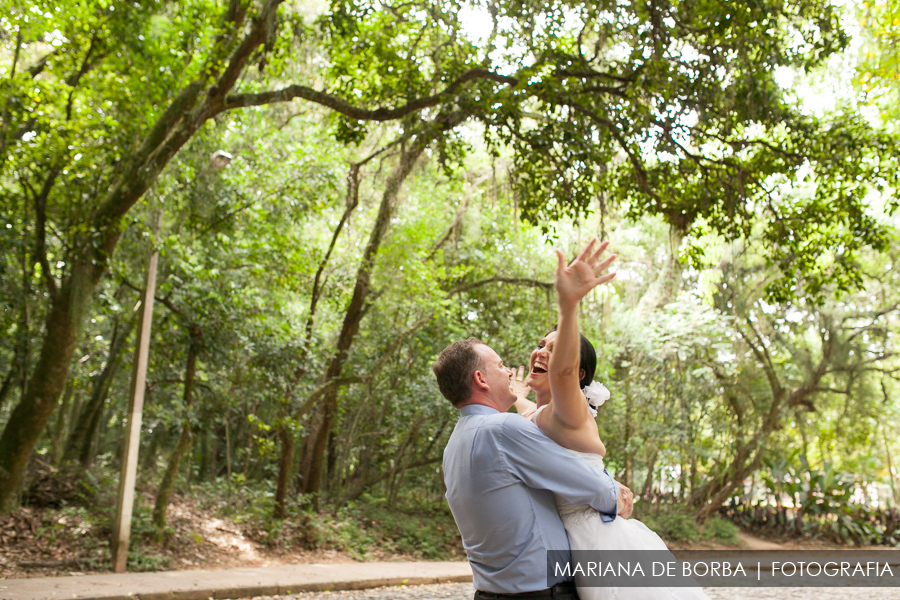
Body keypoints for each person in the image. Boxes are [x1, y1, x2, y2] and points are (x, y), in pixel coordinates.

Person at [512, 238, 709, 600]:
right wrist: (515, 395)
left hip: (598, 544)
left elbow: (562, 373)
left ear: (579, 375)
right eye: (540, 344)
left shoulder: (569, 413)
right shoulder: (540, 415)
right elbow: (527, 413)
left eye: (553, 349)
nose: (542, 352)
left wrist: (568, 307)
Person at [434, 337, 633, 600]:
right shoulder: (503, 429)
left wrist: (518, 398)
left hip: (488, 591)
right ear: (481, 380)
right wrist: (616, 496)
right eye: (501, 365)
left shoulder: (454, 444)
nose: (508, 372)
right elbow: (591, 485)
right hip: (540, 592)